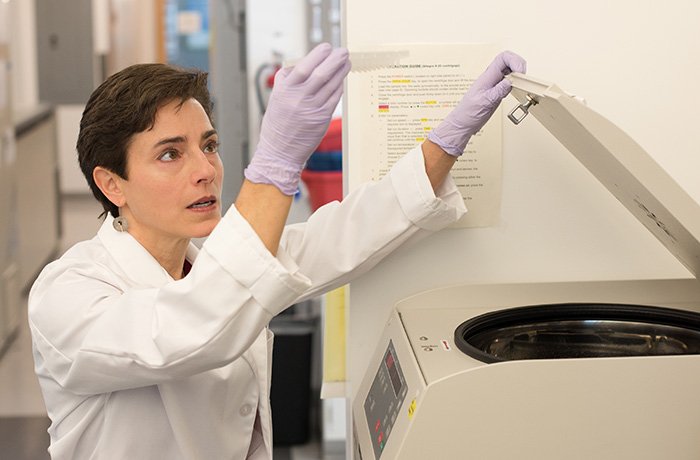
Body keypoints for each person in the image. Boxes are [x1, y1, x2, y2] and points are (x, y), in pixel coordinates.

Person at [28, 43, 525, 459]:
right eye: (170, 154)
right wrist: (275, 167)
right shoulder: (67, 295)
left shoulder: (208, 257)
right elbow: (191, 327)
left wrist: (446, 141)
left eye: (210, 144)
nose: (205, 169)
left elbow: (339, 238)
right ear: (112, 184)